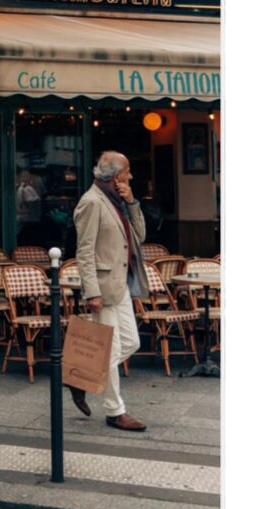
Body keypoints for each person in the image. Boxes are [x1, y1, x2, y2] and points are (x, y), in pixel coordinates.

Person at [71, 151, 151, 431]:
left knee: (132, 342)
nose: (130, 176)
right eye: (127, 171)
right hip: (104, 289)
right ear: (116, 175)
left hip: (122, 286)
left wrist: (131, 202)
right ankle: (115, 411)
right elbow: (84, 250)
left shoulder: (117, 201)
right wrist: (91, 290)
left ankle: (80, 376)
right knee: (112, 347)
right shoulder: (91, 202)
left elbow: (140, 236)